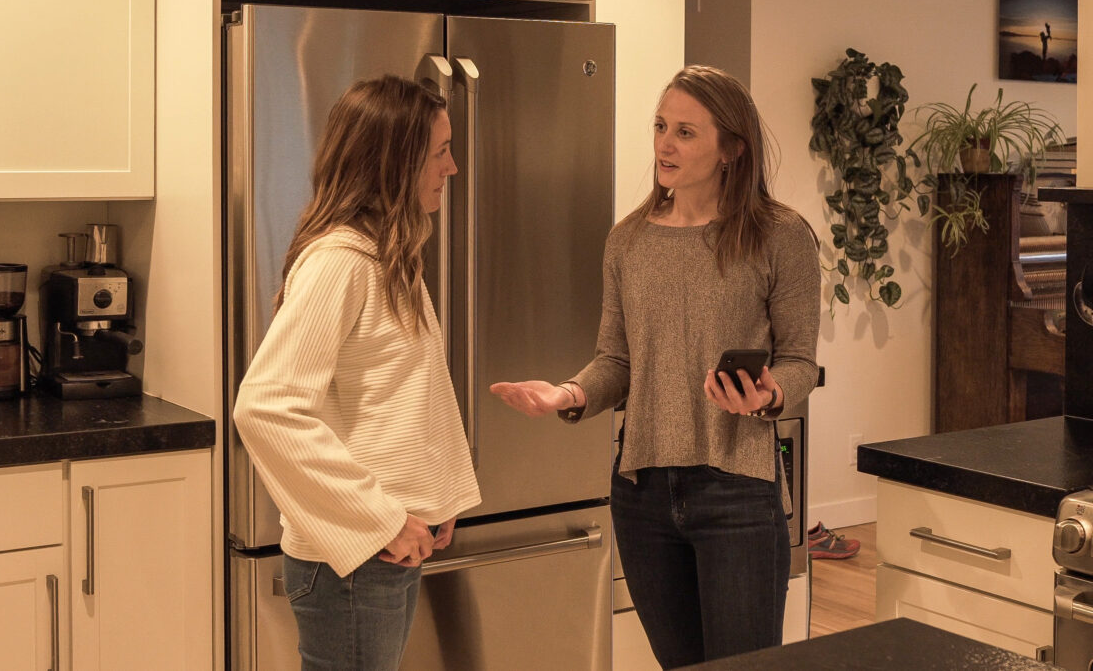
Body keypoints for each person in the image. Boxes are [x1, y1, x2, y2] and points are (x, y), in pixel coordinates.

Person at [490, 65, 820, 668]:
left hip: (738, 490)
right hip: (641, 493)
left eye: (687, 133)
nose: (665, 145)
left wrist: (769, 394)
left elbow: (800, 363)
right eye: (661, 126)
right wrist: (568, 395)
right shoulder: (628, 240)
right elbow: (617, 360)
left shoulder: (780, 237)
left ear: (732, 149)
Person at [233, 74, 481, 671]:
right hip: (353, 560)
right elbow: (265, 406)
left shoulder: (389, 255)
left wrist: (436, 494)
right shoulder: (341, 264)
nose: (452, 168)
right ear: (394, 165)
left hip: (384, 549)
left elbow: (404, 394)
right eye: (441, 152)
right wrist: (383, 520)